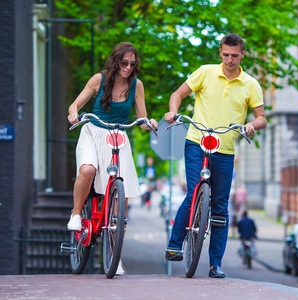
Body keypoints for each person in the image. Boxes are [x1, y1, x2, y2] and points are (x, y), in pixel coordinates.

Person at [164, 33, 267, 278]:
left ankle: (215, 264)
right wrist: (172, 112)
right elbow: (177, 95)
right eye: (225, 55)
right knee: (194, 192)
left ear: (243, 54)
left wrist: (253, 124)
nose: (229, 60)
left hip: (226, 149)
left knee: (220, 207)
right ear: (220, 53)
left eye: (234, 55)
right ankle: (174, 245)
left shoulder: (251, 84)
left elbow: (262, 117)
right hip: (197, 142)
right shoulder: (205, 72)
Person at [66, 42, 158, 275]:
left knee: (122, 202)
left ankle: (115, 256)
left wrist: (150, 123)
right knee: (87, 171)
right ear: (116, 61)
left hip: (118, 136)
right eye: (124, 63)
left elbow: (142, 118)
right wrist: (74, 113)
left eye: (132, 64)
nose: (128, 67)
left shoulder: (137, 86)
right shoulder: (99, 80)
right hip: (93, 132)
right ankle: (77, 214)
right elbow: (75, 104)